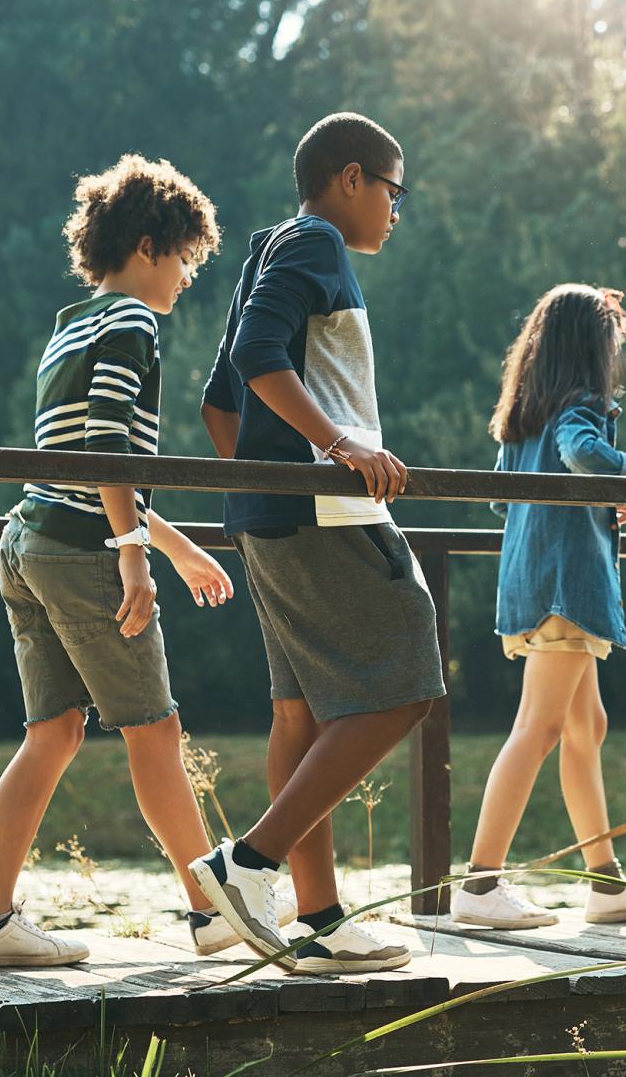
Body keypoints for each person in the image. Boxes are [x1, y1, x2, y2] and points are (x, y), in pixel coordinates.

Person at [0, 154, 238, 969]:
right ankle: (212, 912)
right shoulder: (133, 324)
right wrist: (134, 557)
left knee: (53, 732)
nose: (186, 278)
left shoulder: (70, 324)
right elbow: (111, 444)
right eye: (184, 258)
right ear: (149, 246)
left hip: (30, 539)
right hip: (83, 553)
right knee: (156, 729)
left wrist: (171, 545)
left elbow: (84, 465)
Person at [194, 112, 442, 975]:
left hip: (272, 513)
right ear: (350, 178)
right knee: (408, 673)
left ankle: (323, 916)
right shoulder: (316, 245)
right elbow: (260, 357)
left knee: (300, 711)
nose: (396, 211)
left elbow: (218, 400)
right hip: (325, 511)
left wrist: (259, 485)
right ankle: (249, 862)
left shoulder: (271, 246)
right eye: (393, 190)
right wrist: (339, 448)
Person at [449, 285, 626, 930]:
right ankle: (481, 882)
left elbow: (501, 496)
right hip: (566, 586)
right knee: (539, 728)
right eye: (610, 342)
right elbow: (582, 453)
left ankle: (605, 884)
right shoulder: (581, 407)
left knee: (586, 727)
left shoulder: (524, 415)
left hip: (533, 580)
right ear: (590, 350)